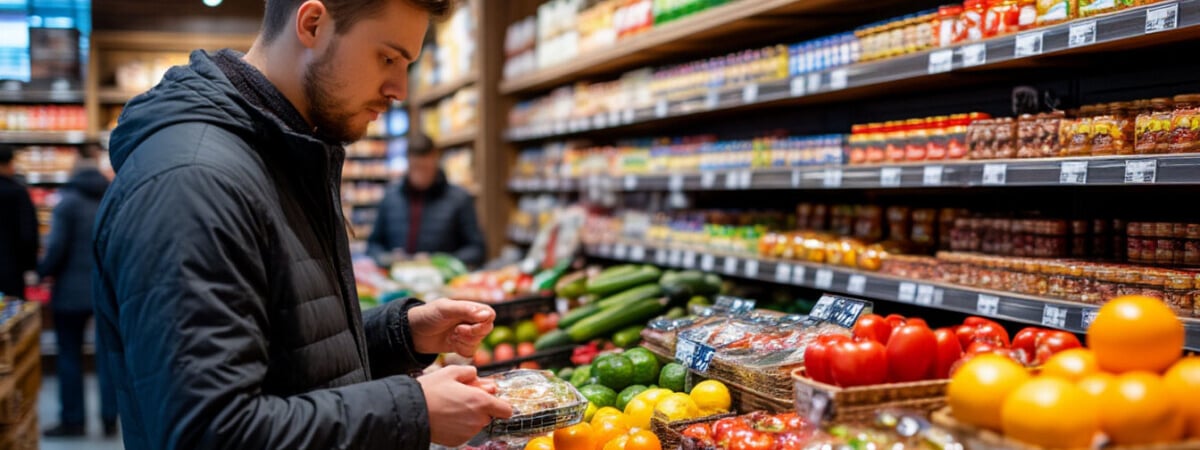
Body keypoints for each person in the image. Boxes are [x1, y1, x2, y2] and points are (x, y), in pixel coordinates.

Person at [92, 0, 512, 448]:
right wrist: (411, 410)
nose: (399, 89)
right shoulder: (191, 183)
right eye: (387, 58)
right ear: (312, 24)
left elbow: (285, 359)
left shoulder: (284, 152)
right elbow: (209, 433)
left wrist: (398, 334)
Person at [39, 160, 119, 438]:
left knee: (70, 355)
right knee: (107, 354)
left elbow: (57, 246)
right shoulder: (111, 199)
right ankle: (110, 417)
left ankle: (73, 420)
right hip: (105, 288)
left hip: (70, 294)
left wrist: (42, 271)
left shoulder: (68, 202)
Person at [368, 133, 486, 267]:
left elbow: (477, 249)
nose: (420, 175)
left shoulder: (460, 199)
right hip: (397, 281)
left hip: (443, 283)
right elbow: (373, 245)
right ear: (408, 163)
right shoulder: (390, 197)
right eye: (416, 167)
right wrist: (386, 258)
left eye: (426, 168)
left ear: (435, 160)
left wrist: (437, 262)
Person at [0, 145, 38, 300]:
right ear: (7, 164)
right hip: (10, 270)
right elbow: (27, 233)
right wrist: (30, 266)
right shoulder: (17, 193)